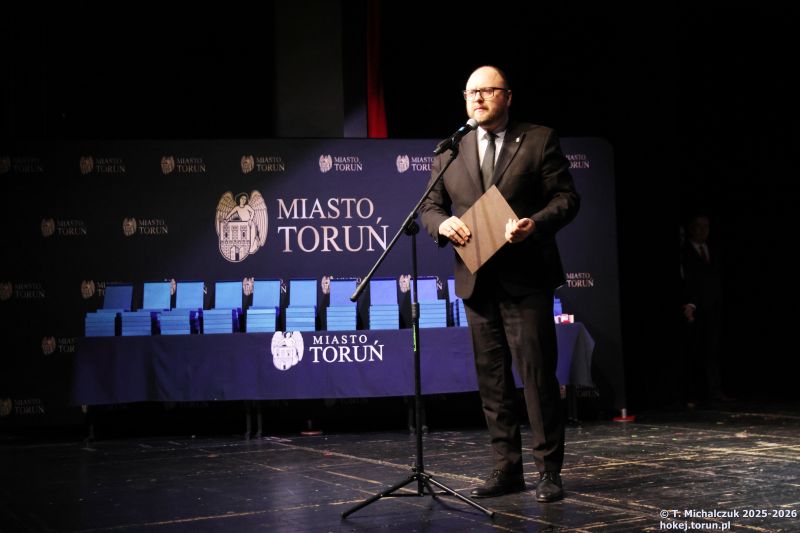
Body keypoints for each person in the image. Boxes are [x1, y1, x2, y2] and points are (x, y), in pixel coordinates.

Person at [419, 66, 579, 503]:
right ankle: (506, 469)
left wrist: (535, 224)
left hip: (526, 279)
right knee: (492, 382)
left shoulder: (539, 139)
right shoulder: (451, 149)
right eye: (471, 92)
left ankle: (549, 472)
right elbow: (429, 206)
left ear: (507, 96)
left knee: (537, 377)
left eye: (487, 91)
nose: (478, 98)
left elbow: (567, 198)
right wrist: (442, 224)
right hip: (477, 281)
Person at [680, 213, 730, 405]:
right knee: (695, 351)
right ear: (691, 228)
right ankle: (695, 393)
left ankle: (714, 391)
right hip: (694, 309)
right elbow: (689, 282)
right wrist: (691, 303)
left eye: (706, 226)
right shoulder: (684, 252)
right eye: (699, 226)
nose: (703, 230)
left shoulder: (713, 250)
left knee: (713, 351)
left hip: (713, 308)